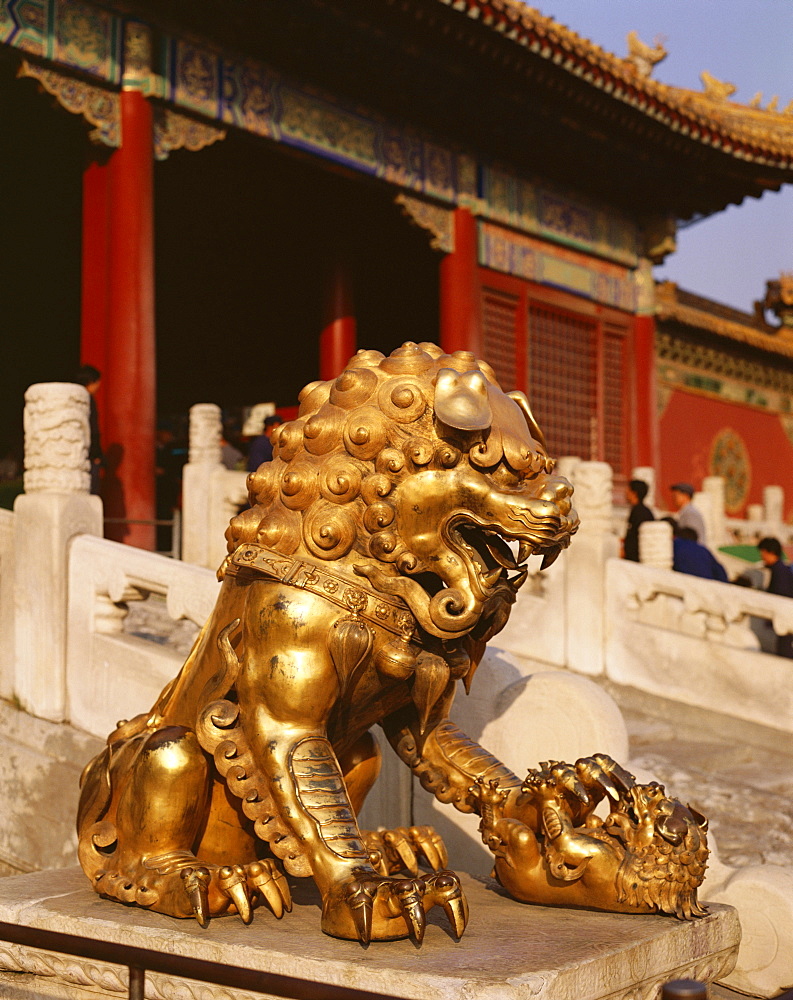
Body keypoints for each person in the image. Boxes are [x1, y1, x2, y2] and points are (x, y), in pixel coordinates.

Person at [757, 536, 793, 658]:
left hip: (785, 618)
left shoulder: (780, 572)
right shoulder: (781, 569)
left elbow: (781, 595)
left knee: (784, 651)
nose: (762, 556)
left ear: (770, 552)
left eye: (763, 552)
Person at [75, 364, 103, 495]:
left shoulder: (74, 399)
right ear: (90, 382)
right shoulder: (87, 400)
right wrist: (96, 453)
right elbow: (92, 429)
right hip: (88, 454)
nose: (98, 386)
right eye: (97, 382)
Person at [622, 478, 654, 561]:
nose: (625, 492)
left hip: (637, 558)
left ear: (634, 493)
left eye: (628, 490)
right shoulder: (641, 510)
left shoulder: (639, 512)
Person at [669, 482, 707, 546]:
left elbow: (692, 536)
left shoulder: (690, 513)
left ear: (686, 496)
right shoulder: (685, 512)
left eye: (676, 495)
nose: (674, 498)